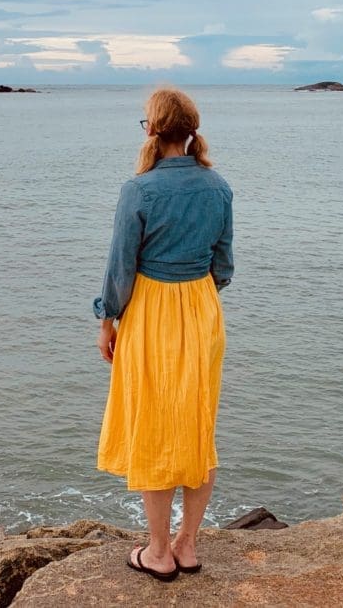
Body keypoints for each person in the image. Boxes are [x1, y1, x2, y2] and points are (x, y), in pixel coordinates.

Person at [93, 87, 233, 582]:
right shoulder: (218, 187)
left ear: (153, 129)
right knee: (198, 426)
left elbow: (120, 269)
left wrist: (107, 320)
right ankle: (188, 546)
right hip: (201, 308)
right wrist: (194, 293)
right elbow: (224, 267)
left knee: (153, 423)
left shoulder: (140, 189)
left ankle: (157, 551)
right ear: (190, 130)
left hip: (152, 309)